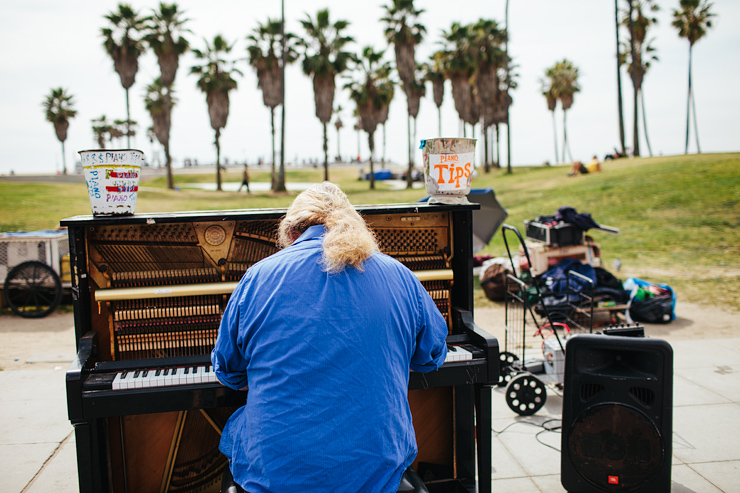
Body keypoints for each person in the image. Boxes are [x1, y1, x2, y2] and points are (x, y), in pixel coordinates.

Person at [212, 182, 448, 493]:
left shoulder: (258, 277)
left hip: (277, 476)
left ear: (292, 233)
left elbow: (229, 373)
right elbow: (430, 358)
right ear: (354, 227)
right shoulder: (400, 275)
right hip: (375, 472)